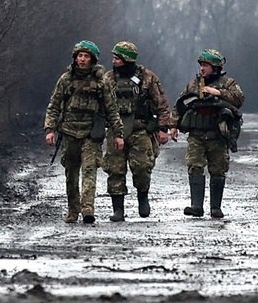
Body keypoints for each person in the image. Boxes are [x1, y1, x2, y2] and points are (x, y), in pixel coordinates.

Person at [42, 40, 126, 224]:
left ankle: (88, 208)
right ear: (75, 58)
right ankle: (73, 209)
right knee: (71, 173)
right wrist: (50, 129)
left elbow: (111, 110)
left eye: (86, 56)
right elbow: (54, 106)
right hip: (70, 132)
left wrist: (118, 134)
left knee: (90, 170)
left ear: (92, 60)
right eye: (80, 56)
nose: (82, 59)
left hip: (91, 133)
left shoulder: (101, 82)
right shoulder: (66, 80)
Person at [101, 41, 174, 220]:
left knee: (142, 167)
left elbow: (161, 104)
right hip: (116, 131)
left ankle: (143, 196)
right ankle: (118, 209)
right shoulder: (108, 79)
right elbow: (99, 104)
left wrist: (163, 128)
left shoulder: (147, 77)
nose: (114, 60)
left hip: (141, 129)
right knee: (115, 169)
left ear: (127, 59)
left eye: (117, 58)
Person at [172, 48, 244, 219]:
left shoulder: (228, 83)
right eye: (201, 65)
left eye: (205, 65)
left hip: (217, 134)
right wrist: (173, 125)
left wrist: (218, 93)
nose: (202, 69)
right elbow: (180, 105)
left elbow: (239, 99)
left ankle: (215, 207)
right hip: (196, 134)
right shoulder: (194, 84)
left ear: (215, 67)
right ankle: (196, 206)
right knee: (194, 166)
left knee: (218, 170)